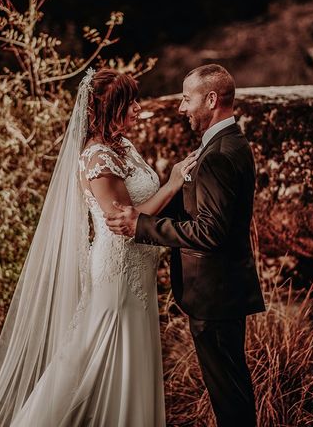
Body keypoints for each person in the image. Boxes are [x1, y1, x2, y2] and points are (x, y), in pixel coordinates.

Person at [0, 67, 198, 427]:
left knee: (127, 360)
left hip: (139, 273)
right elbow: (126, 223)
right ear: (106, 110)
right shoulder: (97, 158)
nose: (137, 109)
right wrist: (173, 183)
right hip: (118, 273)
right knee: (90, 356)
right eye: (128, 103)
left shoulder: (124, 147)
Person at [105, 64, 266, 427]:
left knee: (229, 396)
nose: (181, 108)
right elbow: (208, 212)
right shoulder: (227, 143)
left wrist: (141, 225)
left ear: (211, 99)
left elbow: (210, 232)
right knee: (231, 389)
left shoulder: (220, 155)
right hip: (221, 293)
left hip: (215, 297)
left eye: (186, 99)